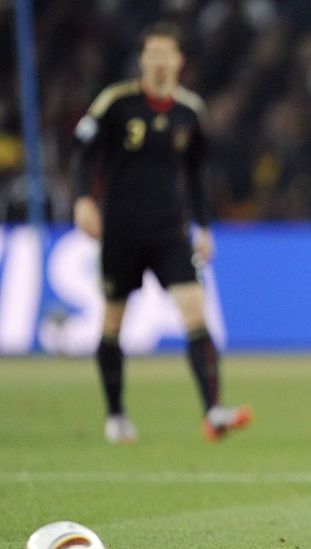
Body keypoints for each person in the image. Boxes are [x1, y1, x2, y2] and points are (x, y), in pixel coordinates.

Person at [71, 21, 251, 444]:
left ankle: (213, 411)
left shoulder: (190, 110)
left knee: (195, 313)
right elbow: (83, 152)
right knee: (113, 322)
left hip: (170, 232)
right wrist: (82, 200)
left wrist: (203, 226)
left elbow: (197, 174)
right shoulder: (116, 102)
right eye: (152, 53)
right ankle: (116, 414)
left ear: (180, 60)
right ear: (142, 59)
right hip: (121, 231)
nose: (159, 61)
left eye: (167, 53)